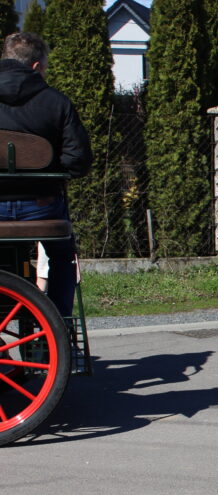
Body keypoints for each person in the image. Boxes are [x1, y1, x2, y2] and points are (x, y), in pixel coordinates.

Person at [0, 32, 92, 318]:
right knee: (62, 258)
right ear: (37, 67)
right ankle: (59, 322)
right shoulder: (56, 102)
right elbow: (79, 161)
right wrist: (48, 167)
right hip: (41, 208)